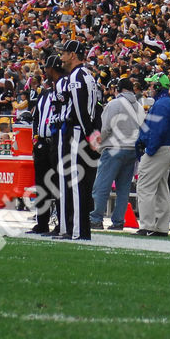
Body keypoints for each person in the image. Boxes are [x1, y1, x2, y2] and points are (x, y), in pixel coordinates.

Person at [55, 40, 101, 240]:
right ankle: (75, 228)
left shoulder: (76, 77)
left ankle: (77, 230)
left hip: (76, 132)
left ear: (73, 55)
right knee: (76, 182)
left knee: (73, 182)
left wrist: (89, 134)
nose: (61, 57)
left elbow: (82, 111)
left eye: (64, 53)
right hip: (83, 132)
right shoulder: (87, 75)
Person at [90, 78, 142, 232]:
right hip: (132, 149)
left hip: (114, 148)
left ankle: (96, 218)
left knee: (102, 186)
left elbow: (106, 128)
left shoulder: (114, 104)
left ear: (118, 89)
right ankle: (118, 221)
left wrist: (97, 143)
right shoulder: (138, 106)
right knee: (123, 188)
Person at [135, 73, 170, 236]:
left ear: (159, 86)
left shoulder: (161, 104)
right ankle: (161, 227)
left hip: (159, 150)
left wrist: (149, 149)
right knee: (161, 189)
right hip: (167, 150)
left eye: (152, 85)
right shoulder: (166, 103)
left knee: (145, 186)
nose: (150, 88)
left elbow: (157, 130)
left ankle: (147, 225)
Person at [27, 56, 62, 233]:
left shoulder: (64, 92)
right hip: (42, 143)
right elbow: (36, 118)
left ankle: (61, 223)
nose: (44, 71)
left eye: (46, 68)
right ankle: (42, 223)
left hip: (56, 143)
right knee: (41, 185)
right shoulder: (44, 93)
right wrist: (35, 138)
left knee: (57, 184)